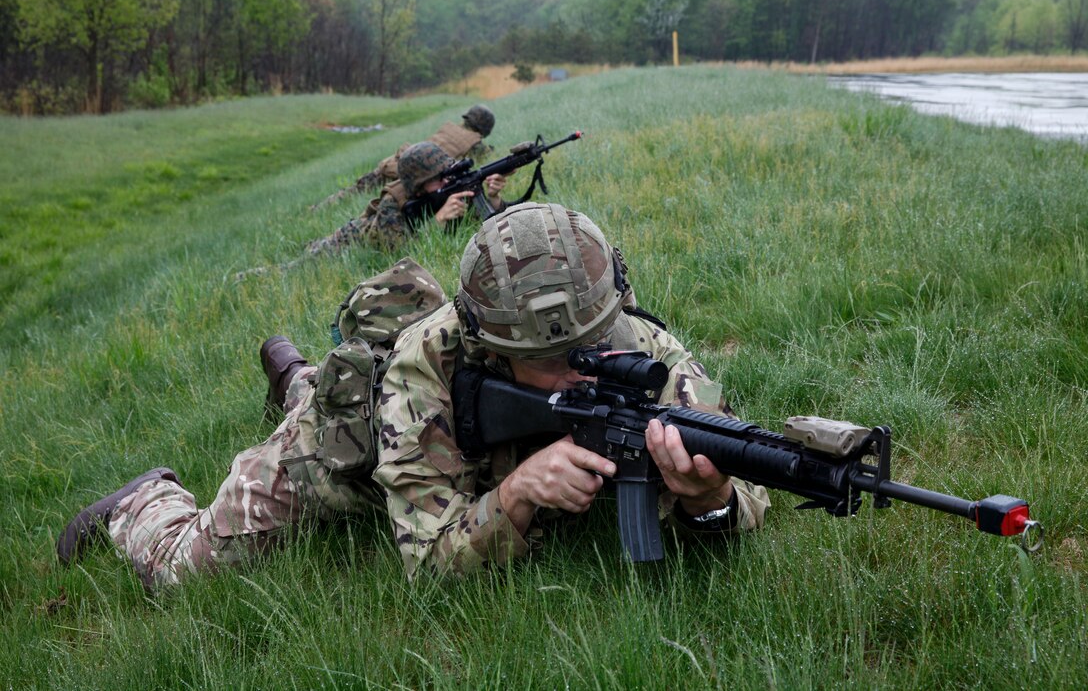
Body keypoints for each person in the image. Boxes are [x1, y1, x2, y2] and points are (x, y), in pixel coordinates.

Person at [56, 203, 769, 588]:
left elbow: (746, 486)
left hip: (430, 430)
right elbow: (427, 563)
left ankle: (299, 374)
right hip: (349, 461)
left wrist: (709, 501)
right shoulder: (423, 368)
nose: (594, 366)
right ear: (495, 350)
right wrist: (517, 494)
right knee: (188, 572)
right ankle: (143, 500)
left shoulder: (636, 350)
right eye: (558, 361)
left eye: (598, 340)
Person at [303, 139, 508, 256]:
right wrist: (436, 222)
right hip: (349, 240)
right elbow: (398, 253)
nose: (447, 182)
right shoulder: (392, 205)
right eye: (438, 178)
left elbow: (483, 224)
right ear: (418, 187)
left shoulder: (448, 189)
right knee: (307, 259)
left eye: (447, 173)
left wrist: (494, 198)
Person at [308, 104, 497, 212]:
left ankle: (319, 207)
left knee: (358, 188)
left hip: (399, 161)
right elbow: (489, 159)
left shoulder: (449, 127)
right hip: (418, 176)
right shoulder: (475, 144)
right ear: (484, 129)